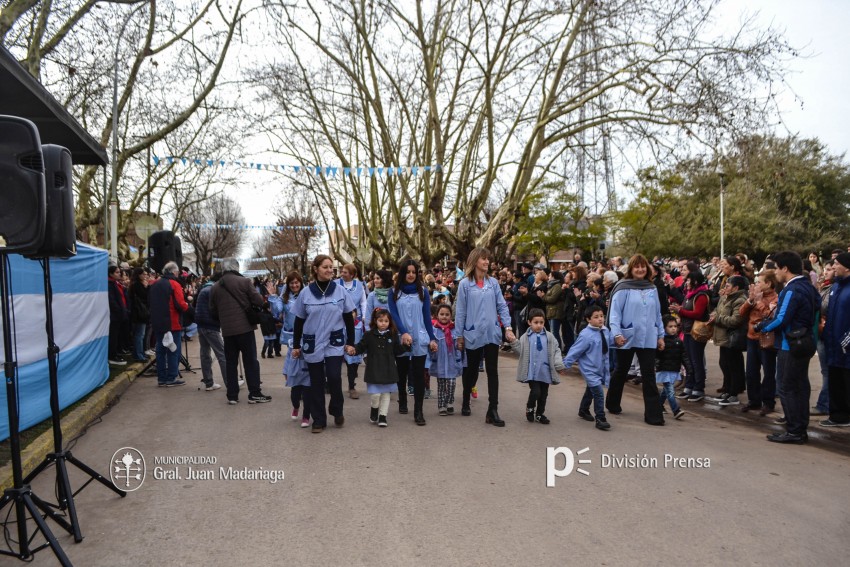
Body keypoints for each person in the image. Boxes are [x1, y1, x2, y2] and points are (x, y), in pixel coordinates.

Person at [755, 251, 820, 444]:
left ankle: (794, 430)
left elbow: (782, 319)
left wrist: (763, 326)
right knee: (800, 387)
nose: (774, 272)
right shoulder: (807, 285)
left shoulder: (792, 289)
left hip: (790, 344)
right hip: (805, 340)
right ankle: (799, 428)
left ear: (785, 268)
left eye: (776, 268)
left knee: (787, 387)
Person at [291, 255, 356, 433]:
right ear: (316, 269)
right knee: (316, 382)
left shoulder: (340, 291)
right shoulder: (305, 293)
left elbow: (348, 318)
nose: (329, 270)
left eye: (331, 268)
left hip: (334, 342)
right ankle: (318, 420)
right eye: (325, 267)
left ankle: (337, 409)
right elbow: (298, 321)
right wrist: (296, 345)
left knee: (335, 377)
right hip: (313, 343)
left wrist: (351, 342)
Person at [455, 247, 516, 426]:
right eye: (484, 259)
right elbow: (460, 312)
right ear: (475, 261)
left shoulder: (493, 283)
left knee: (492, 371)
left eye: (488, 259)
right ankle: (466, 400)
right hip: (472, 333)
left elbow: (502, 306)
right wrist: (459, 335)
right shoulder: (465, 284)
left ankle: (493, 410)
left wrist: (508, 327)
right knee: (471, 371)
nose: (487, 262)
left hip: (491, 333)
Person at [605, 254, 666, 426]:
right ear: (631, 269)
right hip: (626, 336)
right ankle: (613, 403)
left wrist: (661, 335)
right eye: (636, 267)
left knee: (649, 375)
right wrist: (616, 334)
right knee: (621, 371)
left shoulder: (652, 288)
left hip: (648, 337)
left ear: (647, 269)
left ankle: (654, 415)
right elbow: (615, 314)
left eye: (643, 266)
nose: (640, 270)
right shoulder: (623, 287)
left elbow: (657, 314)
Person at [209, 258, 271, 405]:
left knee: (231, 362)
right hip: (245, 329)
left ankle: (232, 395)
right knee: (250, 361)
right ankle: (254, 393)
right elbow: (258, 301)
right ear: (236, 267)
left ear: (223, 268)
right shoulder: (244, 282)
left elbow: (212, 310)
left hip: (227, 331)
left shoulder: (215, 287)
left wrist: (224, 319)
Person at [388, 259, 438, 426]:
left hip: (420, 335)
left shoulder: (422, 291)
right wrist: (404, 333)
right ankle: (402, 399)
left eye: (413, 272)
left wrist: (432, 338)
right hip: (401, 337)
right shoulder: (394, 291)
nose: (410, 275)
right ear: (403, 273)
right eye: (408, 272)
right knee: (401, 372)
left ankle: (419, 410)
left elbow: (427, 317)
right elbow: (393, 315)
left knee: (418, 375)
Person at [346, 308, 406, 427]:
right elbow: (361, 346)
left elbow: (397, 350)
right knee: (375, 395)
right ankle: (374, 409)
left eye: (386, 321)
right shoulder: (369, 335)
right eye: (380, 320)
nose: (383, 323)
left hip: (388, 369)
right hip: (374, 369)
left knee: (386, 394)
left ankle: (383, 416)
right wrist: (353, 350)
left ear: (389, 322)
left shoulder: (392, 335)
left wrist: (407, 346)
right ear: (375, 321)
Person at [509, 308, 567, 425]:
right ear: (529, 322)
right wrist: (514, 342)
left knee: (544, 395)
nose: (539, 325)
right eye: (536, 322)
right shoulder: (525, 337)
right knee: (536, 392)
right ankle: (530, 408)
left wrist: (559, 365)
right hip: (532, 372)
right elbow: (521, 351)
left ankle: (540, 414)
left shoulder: (550, 337)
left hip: (545, 371)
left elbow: (556, 350)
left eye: (541, 322)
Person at [564, 305, 613, 430]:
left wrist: (619, 341)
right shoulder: (586, 335)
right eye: (596, 317)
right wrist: (565, 365)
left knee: (591, 390)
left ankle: (584, 410)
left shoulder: (605, 330)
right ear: (588, 319)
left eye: (601, 316)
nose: (600, 319)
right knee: (599, 393)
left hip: (601, 367)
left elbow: (609, 343)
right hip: (589, 369)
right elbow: (575, 351)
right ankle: (600, 418)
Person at [739, 270, 779, 414]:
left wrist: (758, 302)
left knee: (768, 373)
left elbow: (770, 315)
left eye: (759, 282)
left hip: (766, 339)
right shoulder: (755, 296)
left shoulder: (776, 298)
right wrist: (750, 300)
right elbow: (741, 313)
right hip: (751, 338)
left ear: (768, 283)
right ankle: (754, 400)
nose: (756, 284)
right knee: (751, 372)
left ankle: (768, 402)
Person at [670, 270, 711, 402]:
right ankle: (689, 386)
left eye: (688, 280)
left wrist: (680, 311)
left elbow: (698, 314)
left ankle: (698, 388)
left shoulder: (701, 296)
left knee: (696, 361)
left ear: (695, 281)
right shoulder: (689, 294)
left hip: (696, 332)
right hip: (687, 330)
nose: (686, 283)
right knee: (688, 360)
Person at [820, 253, 850, 427]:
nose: (833, 267)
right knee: (835, 381)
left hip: (846, 347)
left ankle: (844, 415)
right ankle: (837, 415)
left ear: (846, 267)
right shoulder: (835, 287)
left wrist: (847, 340)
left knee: (846, 382)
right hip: (832, 344)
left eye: (837, 264)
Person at [709, 275, 749, 406]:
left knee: (733, 366)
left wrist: (718, 318)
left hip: (732, 339)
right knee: (724, 364)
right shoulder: (725, 297)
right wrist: (715, 315)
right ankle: (726, 390)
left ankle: (733, 394)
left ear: (736, 287)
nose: (725, 287)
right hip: (722, 338)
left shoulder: (740, 300)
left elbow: (735, 320)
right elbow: (718, 311)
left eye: (727, 285)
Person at [148, 261, 188, 387]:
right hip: (172, 322)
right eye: (177, 272)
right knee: (173, 350)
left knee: (160, 350)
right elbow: (180, 304)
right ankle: (171, 377)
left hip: (158, 322)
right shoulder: (174, 284)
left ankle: (161, 378)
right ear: (173, 271)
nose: (178, 274)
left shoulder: (154, 283)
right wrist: (188, 307)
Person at [337, 263, 368, 398]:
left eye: (345, 272)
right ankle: (331, 383)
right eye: (342, 271)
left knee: (352, 352)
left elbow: (363, 302)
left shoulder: (360, 285)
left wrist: (365, 317)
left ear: (352, 274)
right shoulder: (336, 284)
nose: (342, 274)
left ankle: (351, 385)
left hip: (354, 323)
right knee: (335, 352)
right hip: (338, 322)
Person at [193, 273, 226, 392]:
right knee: (222, 354)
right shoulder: (213, 290)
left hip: (201, 324)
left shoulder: (204, 288)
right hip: (210, 325)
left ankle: (209, 382)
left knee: (205, 354)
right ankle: (230, 383)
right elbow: (217, 308)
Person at [431, 304, 463, 416]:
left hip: (451, 362)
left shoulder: (455, 330)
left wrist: (459, 346)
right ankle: (441, 406)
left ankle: (449, 402)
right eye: (442, 314)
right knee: (441, 385)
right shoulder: (434, 330)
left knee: (451, 384)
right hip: (440, 361)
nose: (444, 316)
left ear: (451, 316)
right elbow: (431, 344)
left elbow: (458, 344)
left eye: (447, 314)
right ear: (437, 315)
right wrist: (432, 346)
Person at [656, 316, 687, 419]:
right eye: (670, 326)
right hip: (664, 369)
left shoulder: (679, 341)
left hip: (674, 369)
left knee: (666, 390)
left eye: (675, 326)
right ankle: (676, 410)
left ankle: (659, 405)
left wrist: (689, 368)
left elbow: (683, 356)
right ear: (664, 328)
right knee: (670, 390)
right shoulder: (661, 341)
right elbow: (656, 356)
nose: (673, 328)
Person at [283, 337, 311, 428]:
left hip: (308, 373)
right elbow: (288, 358)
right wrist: (286, 371)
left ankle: (306, 416)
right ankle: (296, 407)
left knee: (307, 397)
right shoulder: (292, 342)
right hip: (295, 373)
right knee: (295, 396)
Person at [107, 265, 129, 366]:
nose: (119, 274)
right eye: (116, 272)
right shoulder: (110, 284)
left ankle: (116, 353)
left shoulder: (115, 283)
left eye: (119, 272)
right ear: (111, 274)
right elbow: (112, 300)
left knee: (118, 336)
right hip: (115, 315)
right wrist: (119, 310)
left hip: (120, 314)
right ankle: (112, 356)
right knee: (114, 336)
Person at [128, 267, 150, 362]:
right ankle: (139, 354)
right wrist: (146, 287)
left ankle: (138, 353)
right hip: (139, 313)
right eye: (143, 274)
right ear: (138, 275)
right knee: (139, 335)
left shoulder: (137, 284)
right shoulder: (137, 285)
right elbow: (145, 296)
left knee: (140, 334)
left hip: (140, 312)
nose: (145, 276)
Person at [343, 310, 365, 399]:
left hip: (357, 350)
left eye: (353, 312)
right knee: (351, 367)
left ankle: (351, 383)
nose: (352, 314)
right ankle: (352, 388)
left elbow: (363, 336)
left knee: (355, 369)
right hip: (347, 350)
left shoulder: (360, 325)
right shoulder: (343, 325)